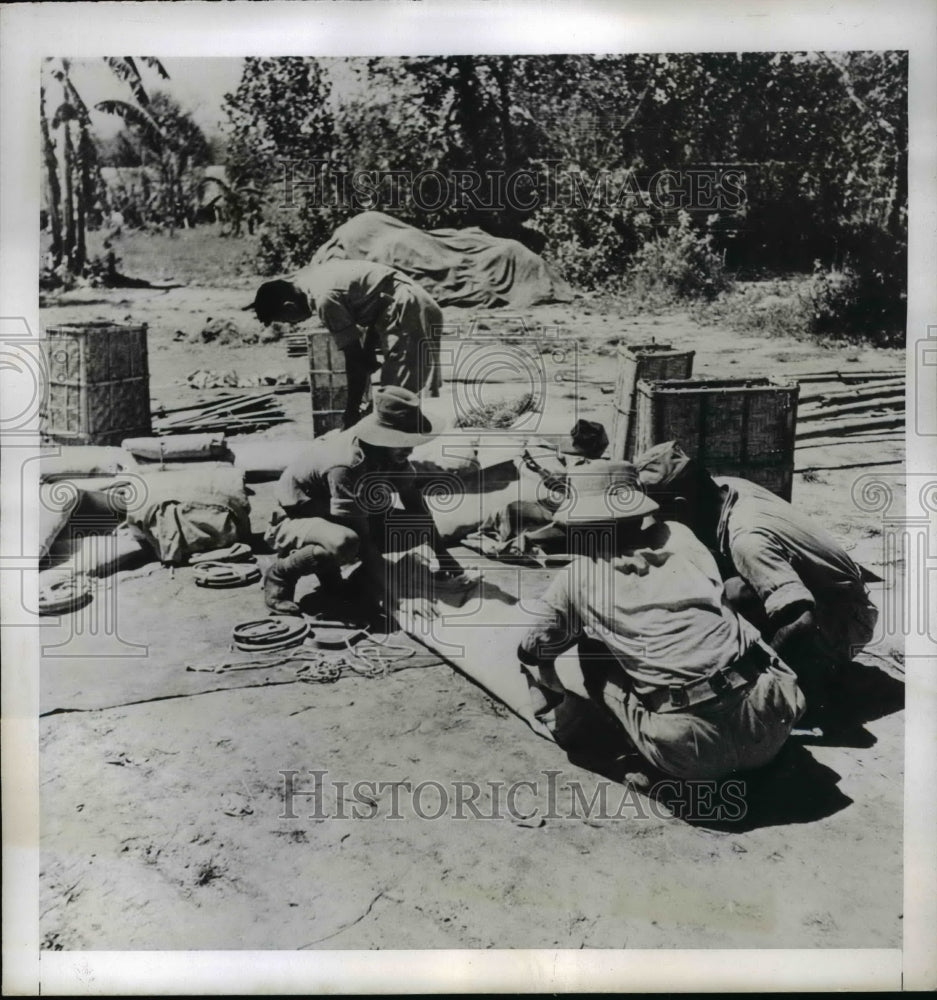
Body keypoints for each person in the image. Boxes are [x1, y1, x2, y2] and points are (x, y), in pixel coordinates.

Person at [517, 461, 805, 780]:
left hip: (692, 752)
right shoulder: (681, 536)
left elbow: (532, 650)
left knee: (592, 647)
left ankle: (620, 753)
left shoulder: (577, 576)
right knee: (724, 609)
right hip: (771, 717)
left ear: (580, 525)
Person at [633, 440, 879, 715]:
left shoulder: (747, 541)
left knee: (729, 601)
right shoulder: (728, 486)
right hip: (833, 594)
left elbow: (801, 621)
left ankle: (808, 680)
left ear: (680, 506)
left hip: (843, 622)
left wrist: (757, 683)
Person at [263, 385, 464, 619]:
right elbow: (362, 535)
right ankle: (281, 574)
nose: (409, 449)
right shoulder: (346, 463)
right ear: (384, 435)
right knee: (346, 542)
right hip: (297, 517)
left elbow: (414, 503)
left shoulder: (392, 452)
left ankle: (335, 578)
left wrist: (445, 558)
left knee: (417, 528)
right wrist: (399, 599)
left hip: (340, 515)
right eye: (403, 441)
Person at [246, 259, 443, 428]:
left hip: (408, 309)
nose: (293, 324)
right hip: (410, 304)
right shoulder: (312, 279)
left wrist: (351, 411)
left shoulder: (324, 299)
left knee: (394, 400)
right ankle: (398, 447)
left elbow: (354, 361)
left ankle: (394, 461)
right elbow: (376, 303)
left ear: (289, 307)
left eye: (288, 320)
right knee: (396, 399)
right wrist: (367, 352)